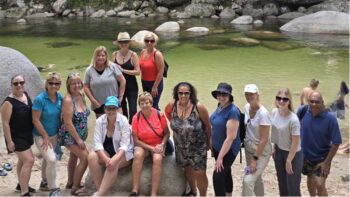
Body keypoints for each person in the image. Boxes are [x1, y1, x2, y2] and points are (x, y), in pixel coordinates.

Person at [164, 82, 211, 196]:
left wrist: (209, 142)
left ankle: (203, 195)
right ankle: (193, 191)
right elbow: (167, 113)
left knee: (200, 173)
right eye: (181, 93)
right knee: (187, 169)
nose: (183, 95)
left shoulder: (198, 107)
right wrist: (176, 125)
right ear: (177, 93)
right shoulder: (172, 105)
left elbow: (208, 126)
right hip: (180, 145)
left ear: (191, 94)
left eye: (186, 93)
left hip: (198, 146)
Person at [88, 96, 134, 196]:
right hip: (106, 152)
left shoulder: (123, 120)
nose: (111, 111)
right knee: (91, 156)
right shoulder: (99, 121)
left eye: (114, 108)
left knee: (114, 164)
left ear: (117, 109)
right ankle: (100, 190)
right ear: (105, 109)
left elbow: (125, 145)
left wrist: (115, 159)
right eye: (108, 108)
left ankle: (99, 194)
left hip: (122, 153)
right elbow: (97, 143)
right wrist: (106, 159)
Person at [300, 91, 342, 196]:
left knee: (319, 184)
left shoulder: (330, 118)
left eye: (317, 102)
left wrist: (327, 162)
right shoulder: (303, 111)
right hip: (306, 156)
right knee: (310, 178)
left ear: (322, 102)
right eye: (311, 101)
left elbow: (336, 142)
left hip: (322, 158)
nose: (314, 104)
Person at [130, 92, 170, 196]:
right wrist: (151, 148)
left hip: (158, 143)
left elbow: (167, 133)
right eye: (142, 103)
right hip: (142, 144)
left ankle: (153, 193)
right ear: (139, 105)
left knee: (157, 159)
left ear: (151, 103)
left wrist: (162, 144)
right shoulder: (136, 117)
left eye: (147, 102)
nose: (144, 105)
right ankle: (135, 190)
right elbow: (136, 140)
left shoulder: (159, 115)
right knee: (137, 154)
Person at [1, 74, 35, 196]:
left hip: (27, 134)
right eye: (16, 83)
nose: (19, 85)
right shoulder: (8, 103)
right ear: (11, 86)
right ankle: (24, 192)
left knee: (22, 160)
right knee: (29, 160)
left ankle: (21, 185)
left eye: (21, 82)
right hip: (16, 136)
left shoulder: (25, 95)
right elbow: (5, 123)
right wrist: (9, 141)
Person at [32, 72, 62, 196]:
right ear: (46, 84)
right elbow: (35, 120)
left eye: (57, 83)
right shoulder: (40, 99)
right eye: (51, 83)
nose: (53, 85)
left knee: (47, 159)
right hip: (41, 136)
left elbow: (61, 116)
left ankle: (44, 181)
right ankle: (53, 188)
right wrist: (45, 136)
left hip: (54, 135)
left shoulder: (60, 97)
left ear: (60, 85)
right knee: (52, 159)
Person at [60, 73, 90, 196]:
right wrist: (78, 139)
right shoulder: (68, 100)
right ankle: (75, 187)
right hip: (70, 136)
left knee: (74, 157)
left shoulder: (81, 95)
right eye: (73, 83)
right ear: (68, 85)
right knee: (85, 157)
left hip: (79, 135)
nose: (77, 85)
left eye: (78, 82)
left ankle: (70, 182)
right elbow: (67, 122)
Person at [210, 82, 241, 196]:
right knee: (226, 173)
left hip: (228, 149)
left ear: (229, 96)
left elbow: (230, 137)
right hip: (218, 147)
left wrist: (220, 157)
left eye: (224, 95)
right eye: (219, 94)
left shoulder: (233, 112)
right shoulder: (220, 106)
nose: (221, 97)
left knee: (217, 178)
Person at [271, 88, 303, 196]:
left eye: (285, 99)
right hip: (279, 151)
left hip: (293, 154)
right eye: (279, 98)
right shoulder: (274, 112)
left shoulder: (293, 119)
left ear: (289, 101)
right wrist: (274, 146)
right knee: (282, 183)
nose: (281, 101)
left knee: (292, 186)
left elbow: (295, 141)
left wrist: (289, 160)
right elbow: (275, 131)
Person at [242, 84, 272, 196]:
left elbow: (264, 139)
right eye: (247, 94)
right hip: (249, 148)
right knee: (257, 178)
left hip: (261, 151)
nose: (249, 96)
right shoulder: (246, 107)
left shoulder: (263, 113)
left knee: (248, 180)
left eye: (251, 94)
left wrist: (255, 159)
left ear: (257, 94)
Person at [84, 46, 126, 118]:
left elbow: (122, 80)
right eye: (98, 55)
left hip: (114, 102)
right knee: (102, 127)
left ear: (106, 56)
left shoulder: (112, 67)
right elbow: (85, 87)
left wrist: (120, 97)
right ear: (95, 57)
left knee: (118, 125)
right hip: (98, 103)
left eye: (103, 55)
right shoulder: (89, 70)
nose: (101, 57)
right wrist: (93, 101)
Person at [112, 32, 140, 124]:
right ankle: (125, 128)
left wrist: (123, 70)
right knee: (122, 109)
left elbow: (137, 72)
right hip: (119, 86)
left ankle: (132, 128)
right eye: (121, 42)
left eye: (126, 42)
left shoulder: (133, 55)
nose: (124, 44)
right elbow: (112, 71)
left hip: (132, 86)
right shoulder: (114, 54)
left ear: (129, 43)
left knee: (133, 110)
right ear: (118, 44)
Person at [139, 33, 165, 110]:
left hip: (155, 84)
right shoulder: (143, 52)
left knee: (153, 106)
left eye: (152, 41)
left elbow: (161, 71)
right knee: (147, 104)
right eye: (147, 41)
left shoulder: (157, 54)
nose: (149, 43)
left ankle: (158, 120)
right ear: (144, 42)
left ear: (155, 42)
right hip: (144, 82)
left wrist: (155, 86)